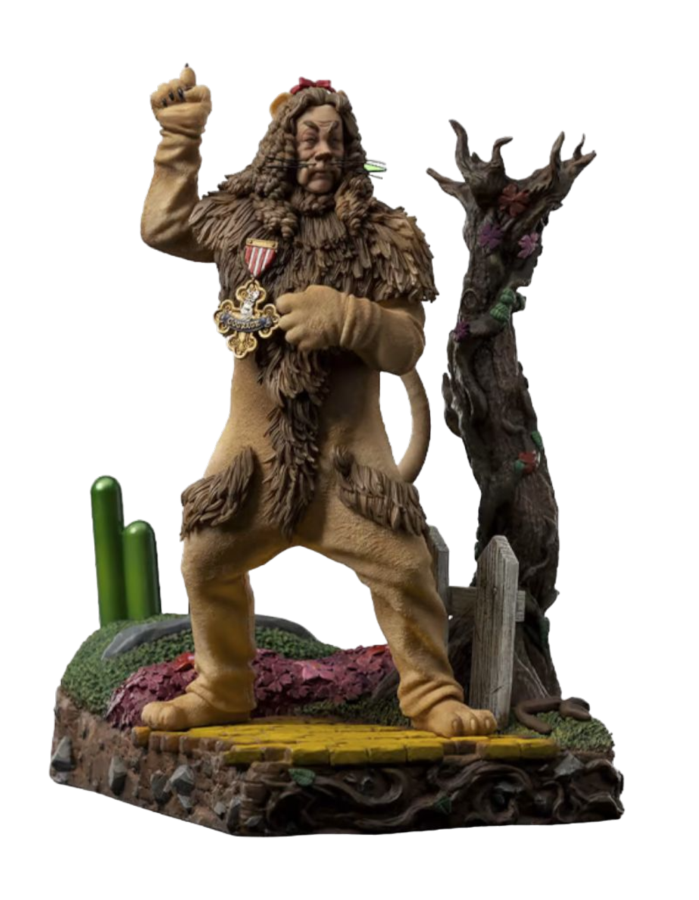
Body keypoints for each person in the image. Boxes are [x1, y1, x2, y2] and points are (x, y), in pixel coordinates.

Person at [138, 68, 497, 738]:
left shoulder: (387, 236)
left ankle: (431, 694)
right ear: (283, 145)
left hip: (346, 456)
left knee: (405, 567)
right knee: (205, 558)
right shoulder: (240, 221)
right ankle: (221, 686)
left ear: (353, 148)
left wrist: (350, 318)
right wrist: (179, 139)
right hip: (255, 455)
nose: (323, 151)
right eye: (309, 138)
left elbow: (407, 346)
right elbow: (163, 226)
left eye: (335, 138)